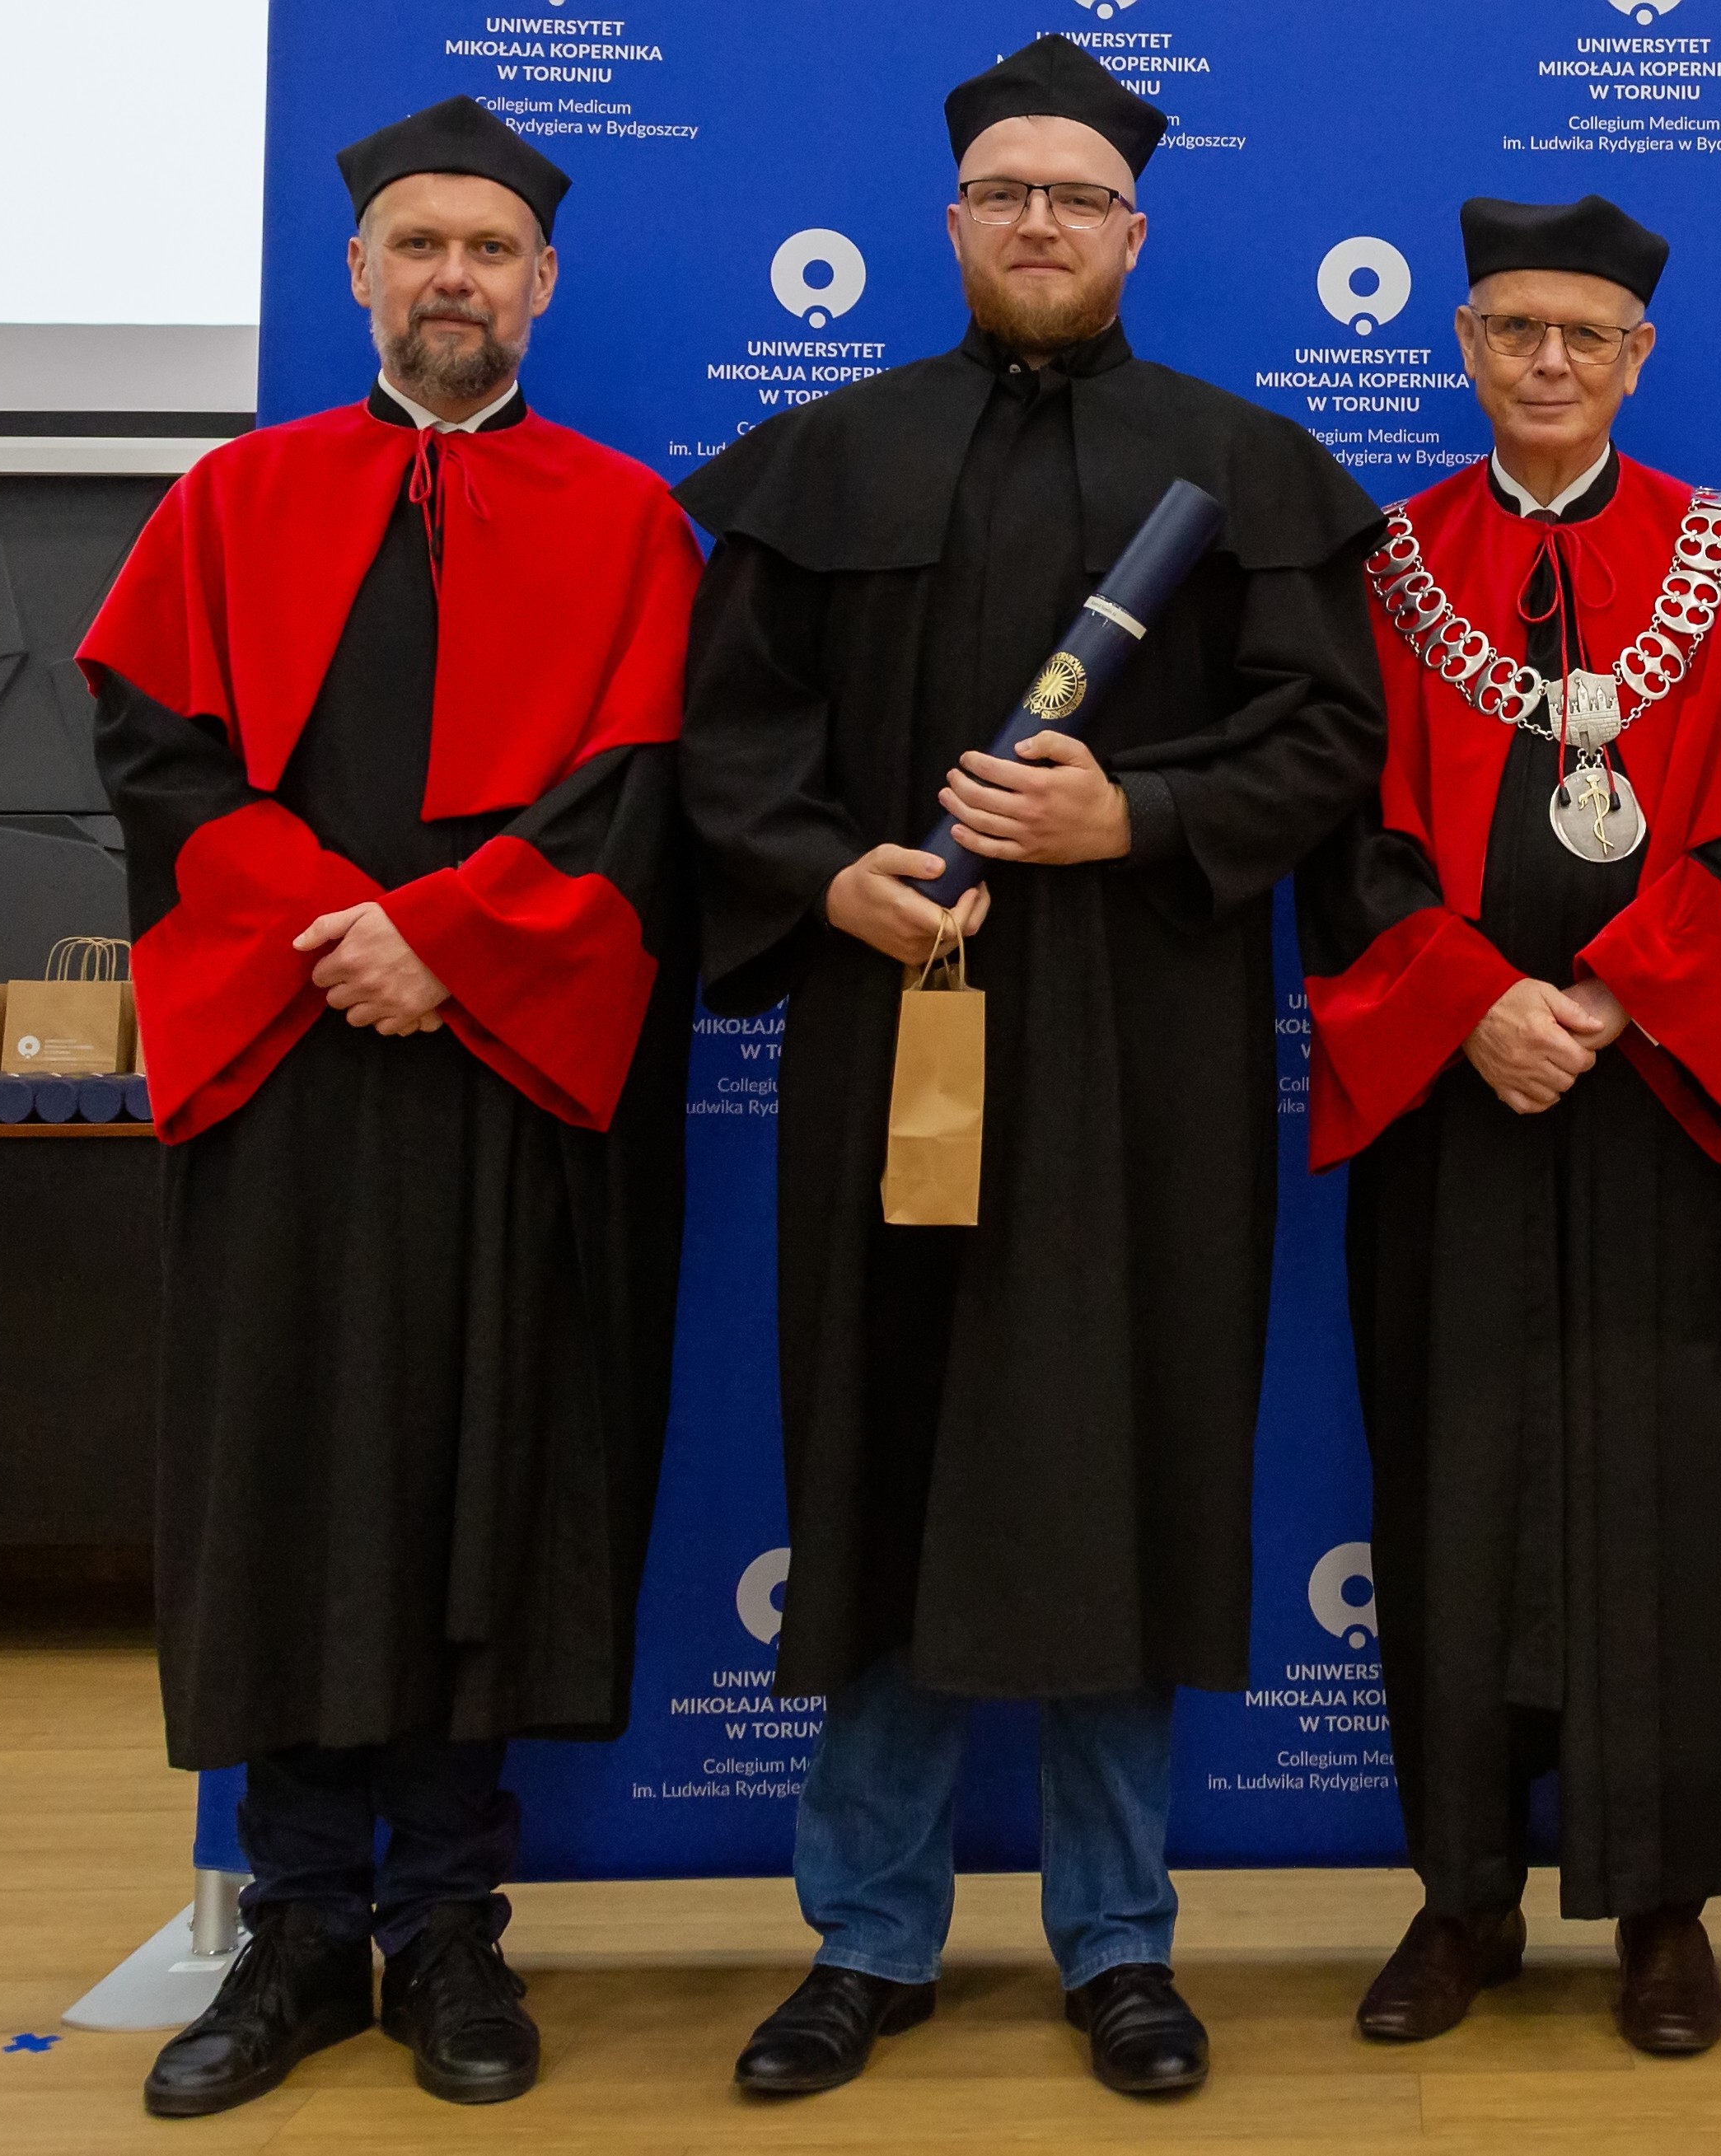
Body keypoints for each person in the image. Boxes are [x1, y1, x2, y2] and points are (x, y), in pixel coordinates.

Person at [673, 35, 1387, 2102]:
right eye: (1007, 192)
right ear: (955, 220)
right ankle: (866, 1936)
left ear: (1135, 232)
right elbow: (730, 739)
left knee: (1118, 1455)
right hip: (890, 1019)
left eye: (1077, 196)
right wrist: (828, 878)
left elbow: (1328, 737)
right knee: (885, 1444)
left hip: (1143, 1046)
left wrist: (1134, 817)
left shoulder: (1238, 463)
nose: (1041, 223)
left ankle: (1120, 1942)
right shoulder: (825, 457)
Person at [79, 97, 699, 2116]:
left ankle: (443, 1922)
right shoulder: (230, 503)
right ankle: (294, 1928)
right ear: (356, 271)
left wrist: (450, 944)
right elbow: (162, 764)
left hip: (503, 1077)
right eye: (418, 244)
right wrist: (332, 933)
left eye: (489, 249)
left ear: (543, 283)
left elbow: (635, 796)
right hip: (285, 1070)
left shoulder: (625, 521)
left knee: (481, 1476)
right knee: (287, 1473)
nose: (453, 276)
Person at [1300, 195, 1721, 2057]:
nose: (1549, 361)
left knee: (1677, 1490)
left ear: (1636, 356)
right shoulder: (1384, 567)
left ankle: (1663, 1902)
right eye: (1515, 329)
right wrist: (1471, 1005)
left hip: (1666, 1103)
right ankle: (1463, 1894)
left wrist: (1614, 996)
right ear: (1462, 345)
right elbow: (1339, 837)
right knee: (1451, 1485)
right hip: (1453, 1100)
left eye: (1584, 335)